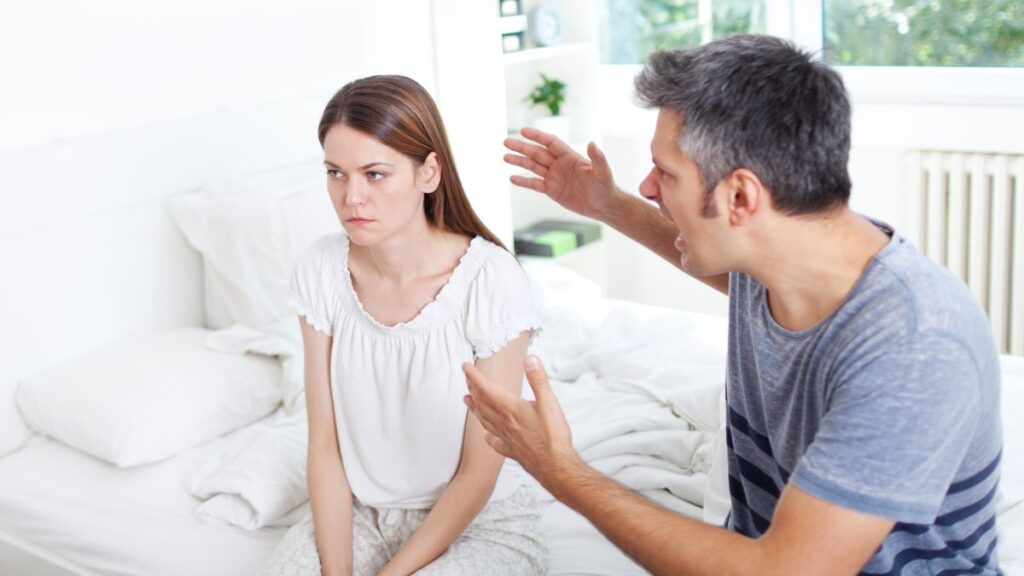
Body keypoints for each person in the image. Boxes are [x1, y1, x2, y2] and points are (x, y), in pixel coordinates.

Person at [464, 34, 1002, 575]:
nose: (648, 187)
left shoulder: (915, 346)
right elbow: (709, 258)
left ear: (740, 198)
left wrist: (561, 470)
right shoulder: (778, 256)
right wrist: (606, 204)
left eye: (665, 173)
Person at [262, 75, 547, 576]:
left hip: (479, 520)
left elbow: (477, 475)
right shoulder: (321, 270)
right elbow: (325, 447)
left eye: (374, 174)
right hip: (361, 513)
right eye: (335, 173)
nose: (351, 197)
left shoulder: (490, 280)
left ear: (428, 172)